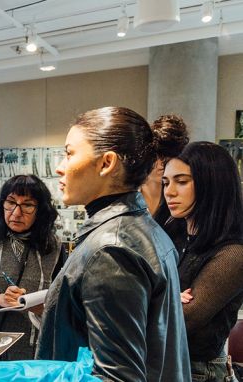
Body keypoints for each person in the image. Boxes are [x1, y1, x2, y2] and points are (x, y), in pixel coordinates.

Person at [36, 106, 190, 381]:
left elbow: (117, 376)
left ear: (107, 163)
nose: (60, 167)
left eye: (69, 153)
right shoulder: (141, 228)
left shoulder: (111, 248)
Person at [160, 142, 243, 381]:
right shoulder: (172, 236)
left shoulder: (233, 253)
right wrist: (166, 296)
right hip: (161, 364)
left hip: (196, 371)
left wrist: (155, 297)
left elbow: (183, 321)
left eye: (182, 181)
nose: (169, 191)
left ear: (212, 184)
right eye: (166, 182)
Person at [0, 174, 64, 360]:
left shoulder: (54, 246)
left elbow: (62, 299)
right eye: (10, 202)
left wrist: (43, 307)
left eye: (27, 205)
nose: (16, 213)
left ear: (40, 210)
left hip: (36, 348)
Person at [140, 115, 189, 215]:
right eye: (158, 154)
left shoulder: (179, 199)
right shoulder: (127, 191)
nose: (163, 162)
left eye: (169, 156)